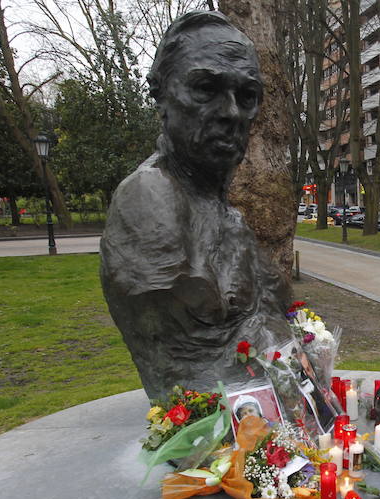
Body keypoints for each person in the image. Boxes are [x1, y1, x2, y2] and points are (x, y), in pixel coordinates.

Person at [100, 12, 291, 400]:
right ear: (162, 96)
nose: (231, 113)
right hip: (213, 412)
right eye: (205, 89)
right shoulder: (148, 196)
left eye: (247, 96)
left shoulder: (228, 216)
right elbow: (198, 366)